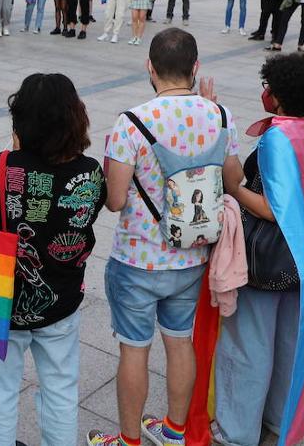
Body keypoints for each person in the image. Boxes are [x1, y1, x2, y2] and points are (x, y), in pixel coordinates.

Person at [89, 28, 242, 446]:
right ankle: (174, 432)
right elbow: (233, 180)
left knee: (134, 350)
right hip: (192, 258)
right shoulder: (221, 115)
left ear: (150, 68)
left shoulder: (131, 122)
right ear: (196, 68)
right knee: (180, 343)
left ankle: (128, 440)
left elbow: (116, 200)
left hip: (137, 260)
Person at [206, 53, 304, 446]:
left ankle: (237, 432)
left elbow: (270, 209)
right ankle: (280, 420)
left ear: (280, 95)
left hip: (267, 260)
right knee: (289, 344)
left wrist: (234, 189)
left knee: (248, 345)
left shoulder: (279, 138)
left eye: (269, 88)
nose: (264, 93)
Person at [0, 73, 106, 446]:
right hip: (62, 300)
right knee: (61, 390)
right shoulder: (90, 171)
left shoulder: (4, 165)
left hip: (2, 302)